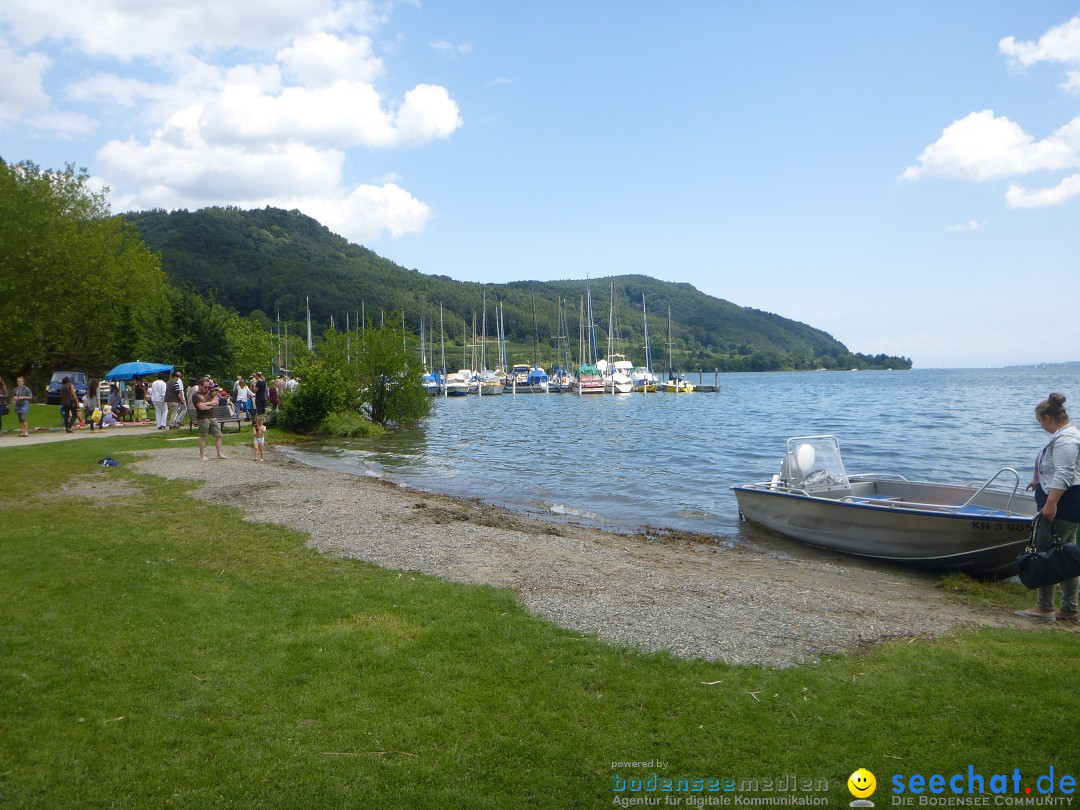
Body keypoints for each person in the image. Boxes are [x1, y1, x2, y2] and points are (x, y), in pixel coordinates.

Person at [1017, 392, 1080, 622]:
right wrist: (1039, 481)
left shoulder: (1066, 439)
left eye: (1039, 422)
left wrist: (1051, 502)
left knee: (1045, 553)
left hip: (1063, 505)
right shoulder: (1066, 435)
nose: (1041, 426)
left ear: (1048, 418)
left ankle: (1044, 607)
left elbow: (1064, 473)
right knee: (1066, 555)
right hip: (1071, 504)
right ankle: (1069, 609)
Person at [193, 376, 228, 461]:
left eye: (208, 387)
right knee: (203, 436)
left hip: (212, 416)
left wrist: (207, 404)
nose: (207, 388)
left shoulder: (210, 392)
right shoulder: (196, 396)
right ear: (200, 386)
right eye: (205, 387)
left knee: (218, 434)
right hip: (203, 418)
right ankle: (202, 455)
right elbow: (201, 407)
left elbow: (216, 402)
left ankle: (219, 454)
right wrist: (211, 404)